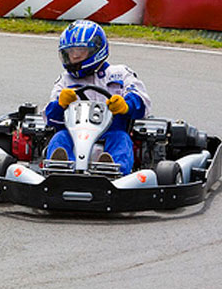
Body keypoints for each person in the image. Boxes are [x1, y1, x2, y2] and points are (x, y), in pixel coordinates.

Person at [44, 20, 151, 175]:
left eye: (80, 50)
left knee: (121, 139)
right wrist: (60, 105)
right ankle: (61, 170)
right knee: (60, 138)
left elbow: (142, 101)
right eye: (70, 51)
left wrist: (126, 105)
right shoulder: (65, 81)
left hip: (111, 131)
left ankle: (113, 171)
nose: (74, 55)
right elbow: (50, 119)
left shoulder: (120, 73)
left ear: (96, 49)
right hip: (74, 134)